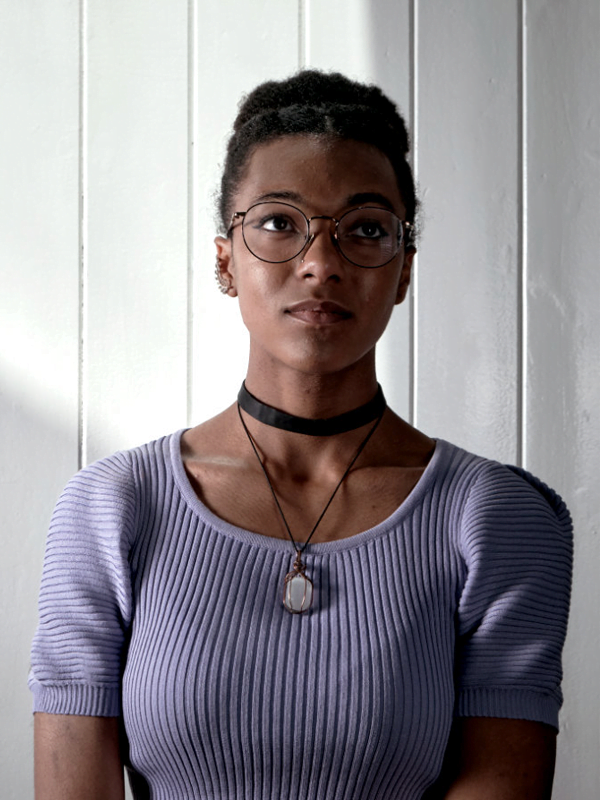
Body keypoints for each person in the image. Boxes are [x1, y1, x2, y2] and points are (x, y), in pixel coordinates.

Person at [30, 70, 573, 800]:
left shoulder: (497, 518)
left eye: (367, 230)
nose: (321, 263)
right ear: (226, 259)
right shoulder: (110, 508)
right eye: (280, 223)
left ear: (405, 269)